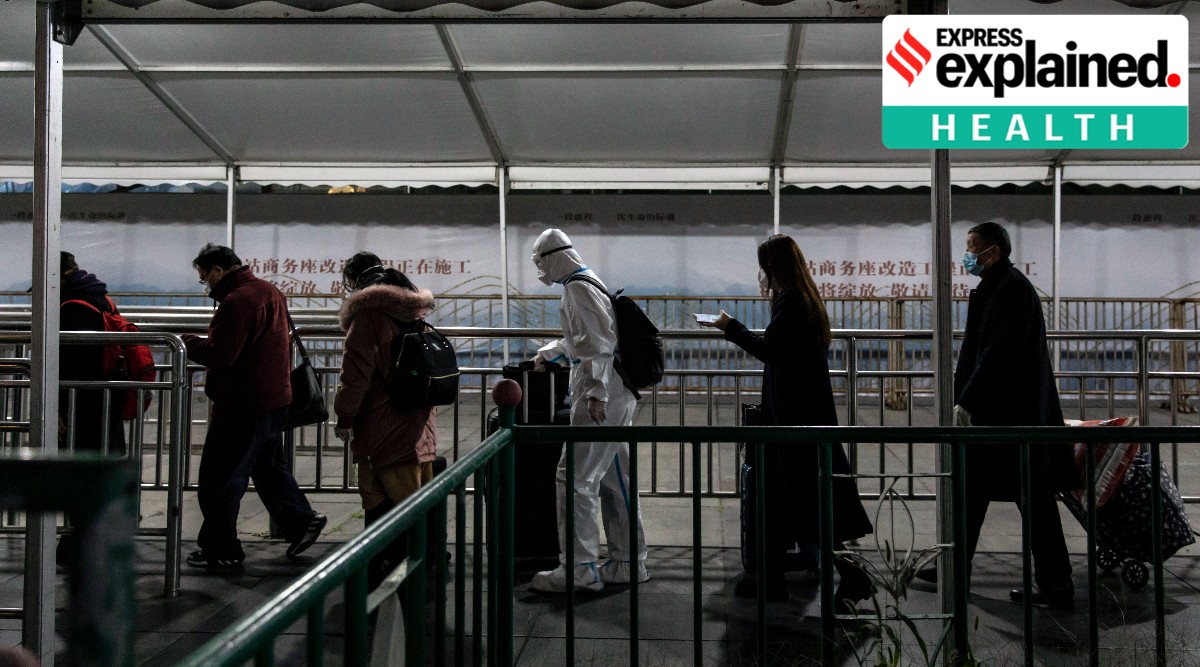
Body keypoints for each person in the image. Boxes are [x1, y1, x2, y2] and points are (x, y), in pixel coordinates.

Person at [700, 234, 874, 611]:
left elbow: (771, 351)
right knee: (784, 502)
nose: (760, 277)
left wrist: (730, 327)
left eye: (763, 269)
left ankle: (852, 576)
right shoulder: (804, 298)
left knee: (803, 503)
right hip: (801, 417)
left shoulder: (791, 302)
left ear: (773, 269)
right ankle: (773, 578)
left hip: (795, 422)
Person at [918, 221, 1077, 610]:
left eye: (972, 247)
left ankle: (1056, 585)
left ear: (993, 251)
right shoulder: (999, 287)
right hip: (1003, 416)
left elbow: (999, 353)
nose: (967, 255)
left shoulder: (1010, 290)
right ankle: (956, 566)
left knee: (1031, 498)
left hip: (1011, 418)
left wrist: (968, 400)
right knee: (974, 493)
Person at [182, 243, 325, 568]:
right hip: (275, 400)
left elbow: (222, 354)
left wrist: (185, 341)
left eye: (205, 278)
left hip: (243, 404)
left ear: (218, 271)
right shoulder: (269, 291)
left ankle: (222, 549)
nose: (206, 285)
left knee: (219, 478)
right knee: (268, 469)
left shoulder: (236, 301)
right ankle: (302, 521)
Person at [527, 228, 650, 593]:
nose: (539, 269)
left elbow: (598, 342)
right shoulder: (586, 281)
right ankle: (629, 561)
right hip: (616, 391)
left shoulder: (577, 288)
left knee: (574, 479)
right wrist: (550, 353)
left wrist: (595, 393)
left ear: (552, 257)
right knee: (615, 479)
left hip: (602, 393)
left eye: (539, 261)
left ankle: (579, 569)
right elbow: (584, 337)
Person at [334, 252, 439, 589]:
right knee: (413, 495)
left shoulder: (368, 317)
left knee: (382, 497)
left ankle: (391, 569)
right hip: (420, 418)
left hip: (382, 423)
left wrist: (344, 415)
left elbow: (355, 376)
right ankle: (416, 560)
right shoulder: (413, 311)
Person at [59, 251, 125, 454]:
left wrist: (56, 408)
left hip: (80, 403)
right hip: (107, 392)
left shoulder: (71, 309)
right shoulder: (99, 297)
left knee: (77, 465)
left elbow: (69, 364)